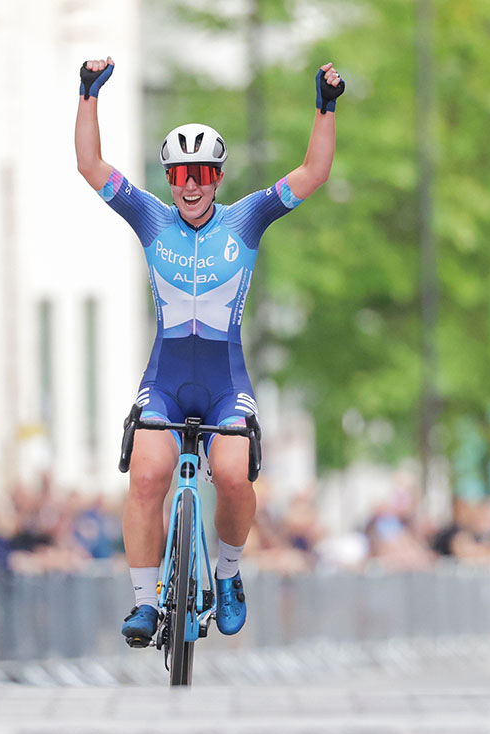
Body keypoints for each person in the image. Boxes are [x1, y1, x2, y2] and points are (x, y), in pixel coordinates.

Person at [75, 57, 344, 647]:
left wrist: (325, 107)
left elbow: (313, 172)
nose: (191, 184)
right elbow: (90, 166)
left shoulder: (246, 219)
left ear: (218, 177)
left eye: (202, 172)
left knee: (231, 474)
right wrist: (88, 94)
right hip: (166, 374)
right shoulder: (150, 218)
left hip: (224, 377)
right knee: (146, 476)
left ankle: (227, 572)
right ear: (169, 179)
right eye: (180, 174)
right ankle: (146, 603)